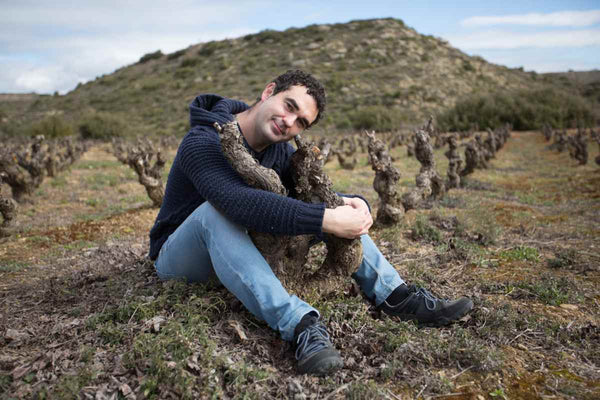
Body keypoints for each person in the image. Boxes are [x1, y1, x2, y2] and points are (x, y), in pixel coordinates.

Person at [149, 69, 473, 376]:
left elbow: (309, 196)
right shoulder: (202, 140)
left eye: (301, 121)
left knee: (327, 207)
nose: (288, 122)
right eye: (289, 106)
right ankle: (300, 324)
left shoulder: (277, 151)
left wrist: (352, 202)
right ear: (268, 92)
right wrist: (326, 220)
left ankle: (395, 294)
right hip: (180, 258)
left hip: (236, 251)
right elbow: (237, 203)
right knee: (214, 212)